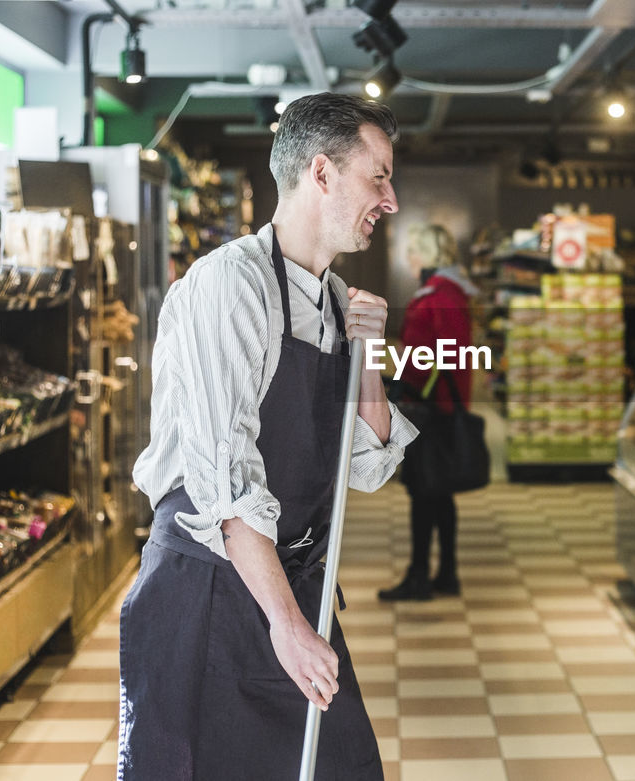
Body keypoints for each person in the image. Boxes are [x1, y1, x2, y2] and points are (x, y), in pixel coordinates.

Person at [119, 94, 418, 781]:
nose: (391, 198)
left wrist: (368, 350)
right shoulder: (230, 286)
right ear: (321, 172)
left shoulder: (339, 301)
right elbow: (226, 486)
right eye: (378, 177)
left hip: (288, 580)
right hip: (211, 590)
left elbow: (371, 464)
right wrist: (287, 624)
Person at [378, 223, 478, 601]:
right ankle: (446, 573)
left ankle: (420, 576)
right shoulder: (447, 292)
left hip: (431, 410)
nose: (410, 258)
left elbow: (444, 358)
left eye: (415, 250)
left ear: (429, 254)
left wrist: (400, 381)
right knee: (438, 493)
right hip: (438, 406)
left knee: (423, 493)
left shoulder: (440, 296)